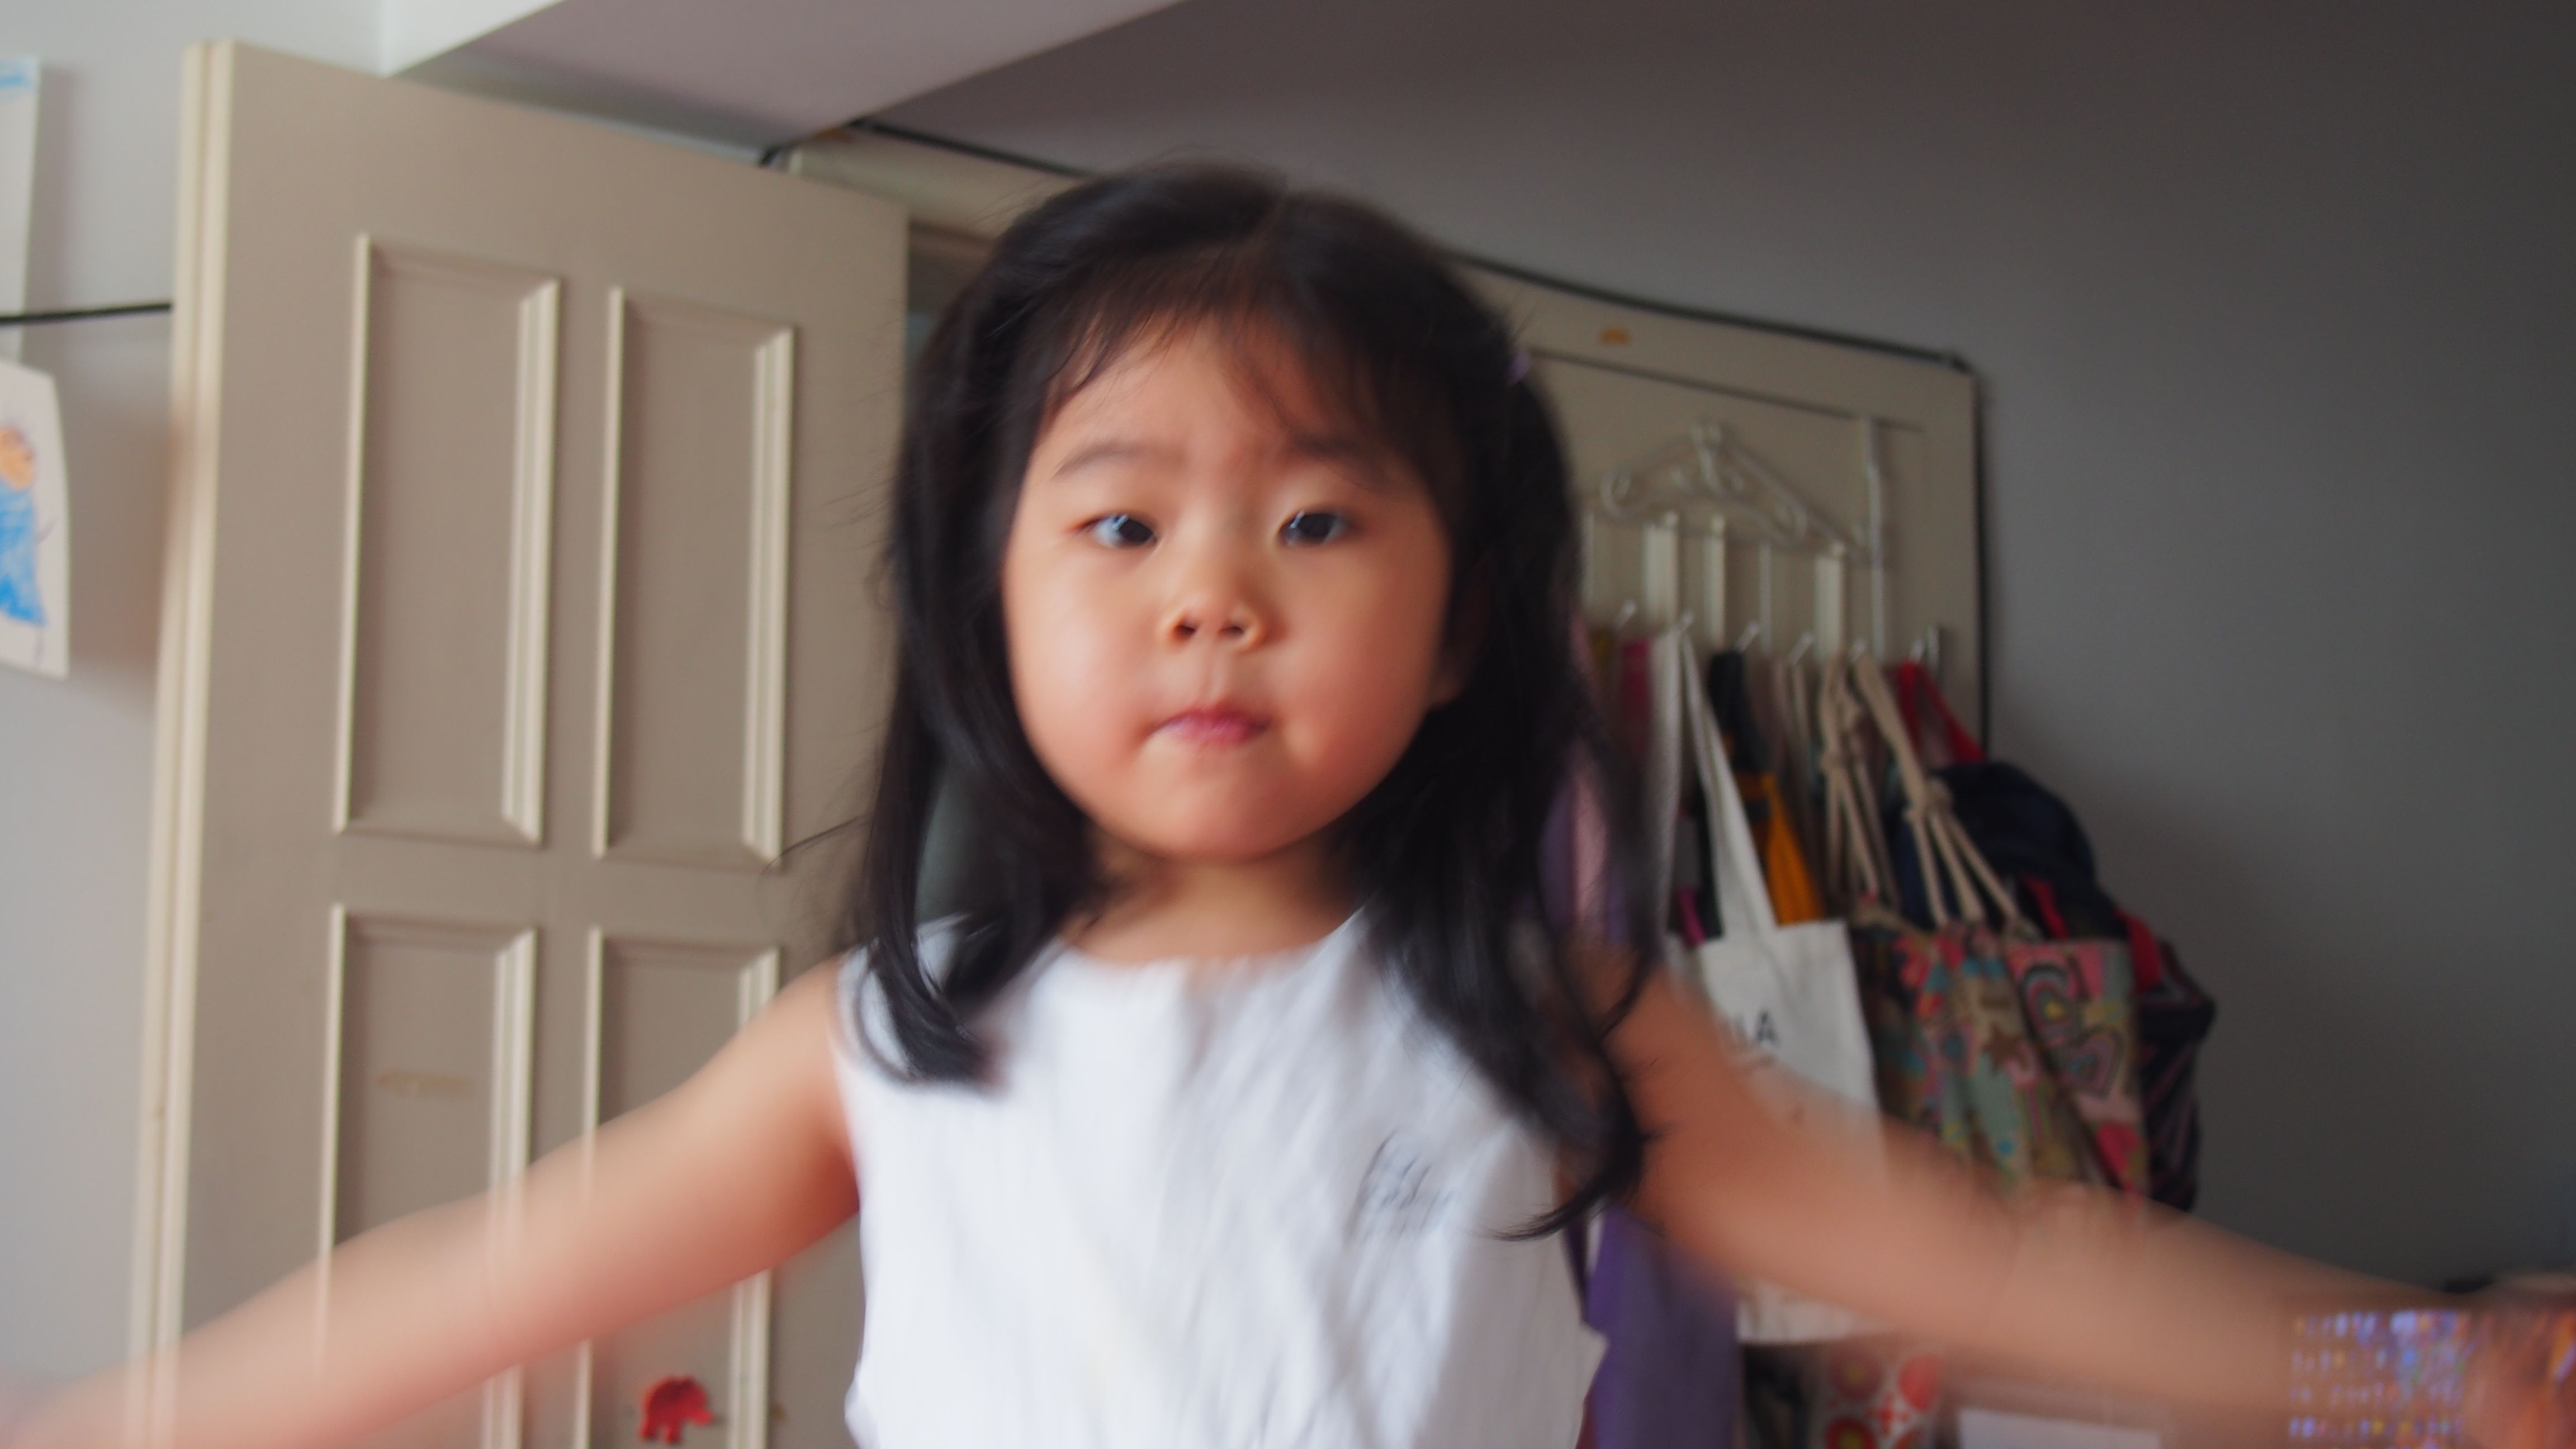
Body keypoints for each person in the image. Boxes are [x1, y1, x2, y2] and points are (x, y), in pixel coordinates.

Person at [12, 164, 2568, 1449]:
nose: (1215, 597)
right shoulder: (883, 1043)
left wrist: (2440, 1369)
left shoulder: (1560, 1029)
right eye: (1120, 525)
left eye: (1318, 522)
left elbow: (2007, 1264)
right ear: (990, 607)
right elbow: (468, 1288)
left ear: (1460, 629)